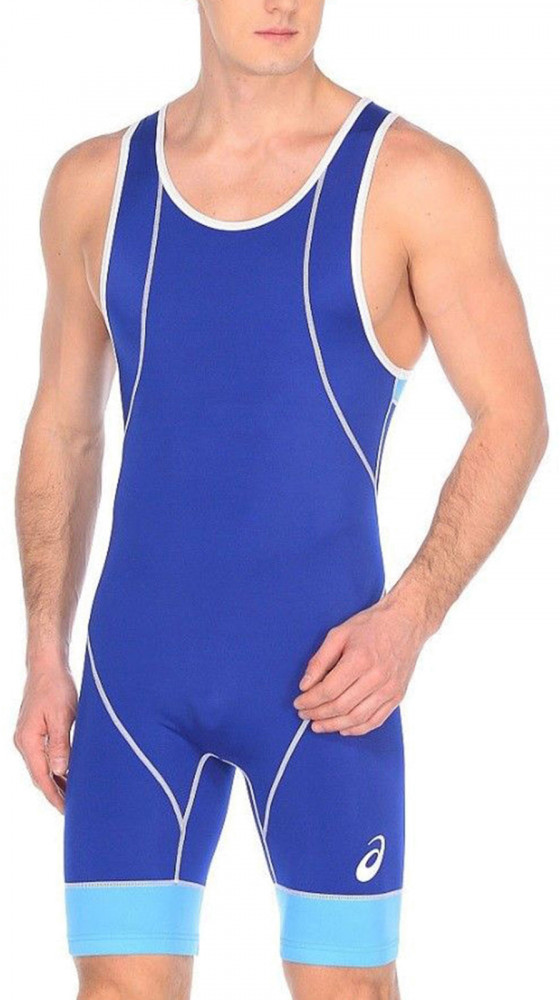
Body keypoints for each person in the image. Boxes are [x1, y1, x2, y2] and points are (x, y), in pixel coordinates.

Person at [14, 1, 548, 998]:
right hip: (134, 681)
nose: (281, 2)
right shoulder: (95, 185)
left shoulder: (413, 182)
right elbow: (65, 428)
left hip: (329, 683)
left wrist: (410, 616)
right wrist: (44, 648)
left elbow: (513, 417)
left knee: (346, 988)